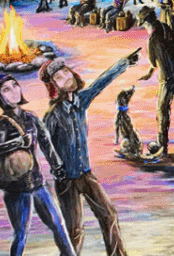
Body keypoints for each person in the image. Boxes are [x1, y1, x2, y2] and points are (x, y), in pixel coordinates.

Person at [41, 53, 139, 256]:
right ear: (54, 87)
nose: (66, 77)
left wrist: (124, 63)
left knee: (108, 215)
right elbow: (45, 144)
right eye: (59, 78)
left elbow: (100, 83)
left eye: (66, 72)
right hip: (66, 180)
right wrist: (56, 167)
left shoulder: (81, 101)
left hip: (86, 174)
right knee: (74, 230)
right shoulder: (53, 115)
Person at [0, 69, 76, 256]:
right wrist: (18, 143)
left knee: (58, 225)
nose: (13, 91)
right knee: (21, 234)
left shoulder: (31, 118)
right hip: (15, 189)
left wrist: (57, 165)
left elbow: (46, 144)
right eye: (5, 89)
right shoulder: (2, 123)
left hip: (38, 183)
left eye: (15, 85)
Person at [136, 6, 174, 158]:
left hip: (166, 78)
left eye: (143, 24)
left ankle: (162, 144)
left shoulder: (152, 39)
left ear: (147, 23)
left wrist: (149, 72)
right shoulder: (166, 28)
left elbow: (152, 62)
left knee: (163, 111)